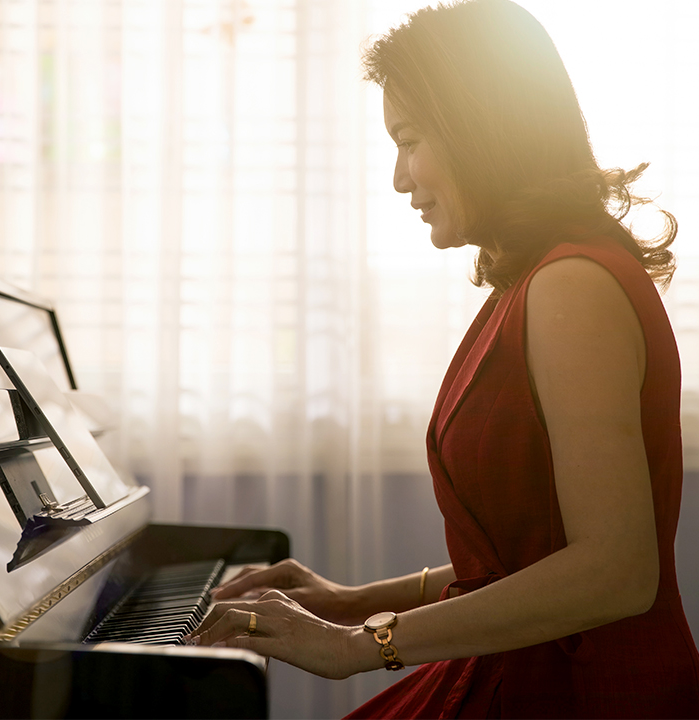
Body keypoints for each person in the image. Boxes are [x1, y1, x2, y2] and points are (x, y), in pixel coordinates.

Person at [186, 0, 699, 716]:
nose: (400, 178)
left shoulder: (572, 286)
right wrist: (351, 601)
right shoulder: (533, 283)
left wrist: (357, 644)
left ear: (481, 129)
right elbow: (517, 563)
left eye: (411, 139)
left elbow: (615, 572)